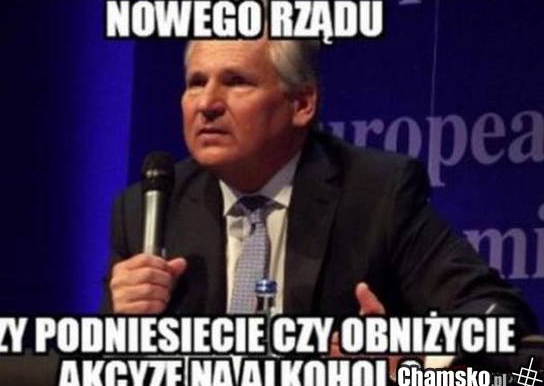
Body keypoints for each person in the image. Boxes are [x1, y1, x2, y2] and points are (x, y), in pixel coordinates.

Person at [102, 36, 536, 341]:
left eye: (236, 81)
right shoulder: (148, 211)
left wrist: (407, 357)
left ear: (302, 103)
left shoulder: (376, 195)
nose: (207, 104)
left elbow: (499, 318)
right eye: (196, 82)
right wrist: (120, 330)